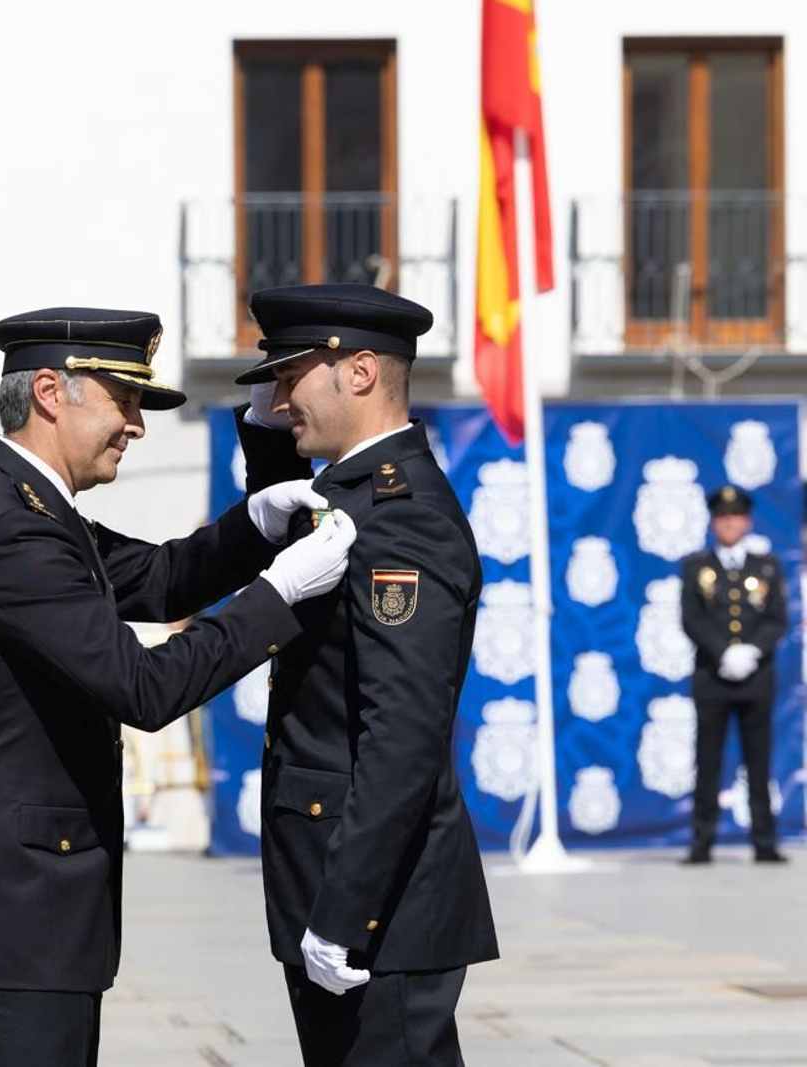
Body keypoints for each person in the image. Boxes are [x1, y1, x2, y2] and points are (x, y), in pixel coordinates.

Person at [0, 306, 356, 1065]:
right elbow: (144, 687)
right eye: (126, 399)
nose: (138, 425)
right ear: (52, 391)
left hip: (30, 915)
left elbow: (160, 576)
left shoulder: (31, 504)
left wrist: (255, 524)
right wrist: (278, 595)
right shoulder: (13, 525)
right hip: (14, 919)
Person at [235, 283, 498, 1066]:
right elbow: (282, 512)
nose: (281, 401)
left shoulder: (402, 516)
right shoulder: (350, 490)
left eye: (292, 378)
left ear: (358, 373)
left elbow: (403, 736)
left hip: (381, 907)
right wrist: (262, 426)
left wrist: (345, 911)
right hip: (341, 885)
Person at [679, 485, 789, 865]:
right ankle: (701, 842)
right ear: (713, 522)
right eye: (723, 517)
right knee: (707, 762)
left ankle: (764, 841)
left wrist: (751, 650)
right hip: (712, 677)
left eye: (736, 516)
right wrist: (723, 651)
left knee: (759, 763)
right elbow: (691, 617)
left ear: (747, 521)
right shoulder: (696, 567)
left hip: (756, 679)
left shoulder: (767, 566)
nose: (729, 522)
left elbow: (777, 619)